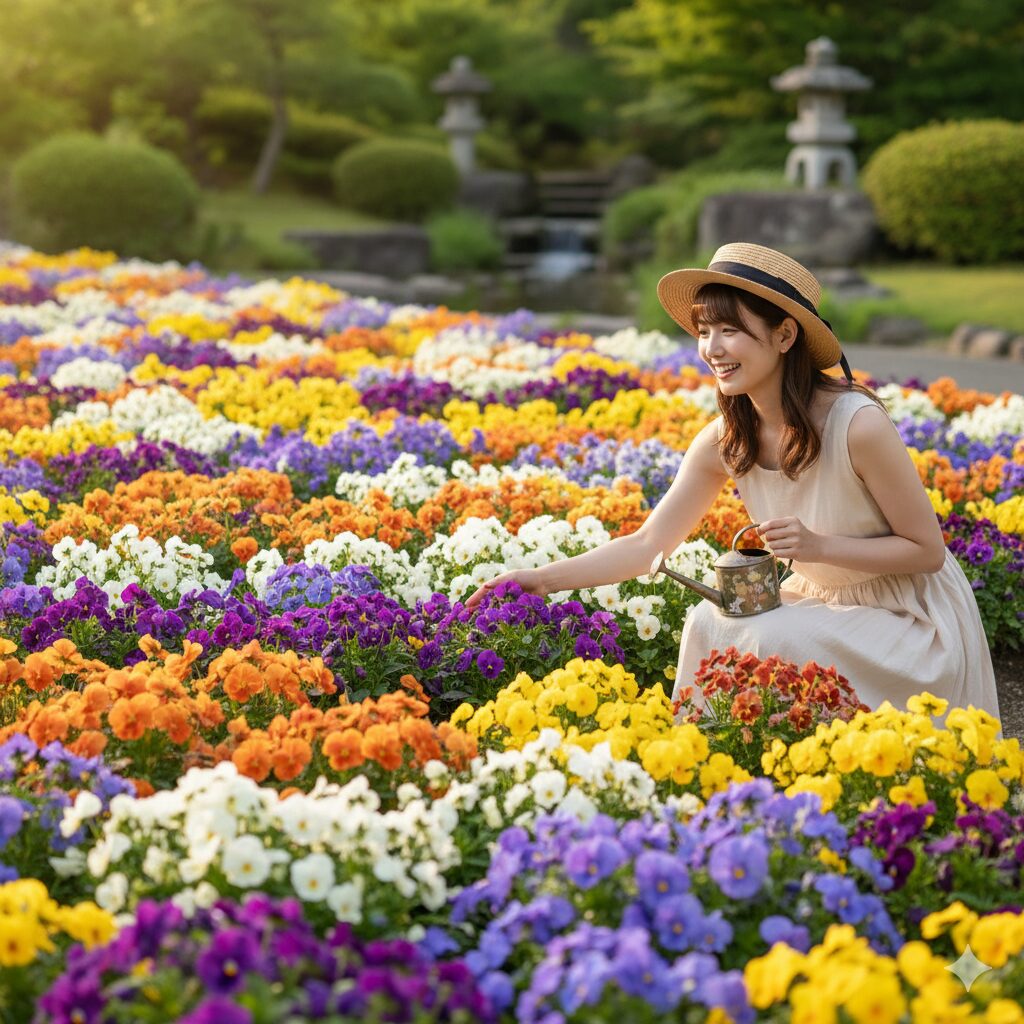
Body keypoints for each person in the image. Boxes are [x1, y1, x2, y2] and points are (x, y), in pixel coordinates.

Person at [466, 243, 999, 718]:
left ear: (785, 334)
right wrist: (538, 579)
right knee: (706, 622)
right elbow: (648, 544)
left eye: (730, 330)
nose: (712, 349)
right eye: (704, 331)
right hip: (820, 601)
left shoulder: (857, 424)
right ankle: (711, 769)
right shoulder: (727, 439)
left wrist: (818, 545)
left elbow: (926, 551)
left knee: (772, 636)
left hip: (905, 615)